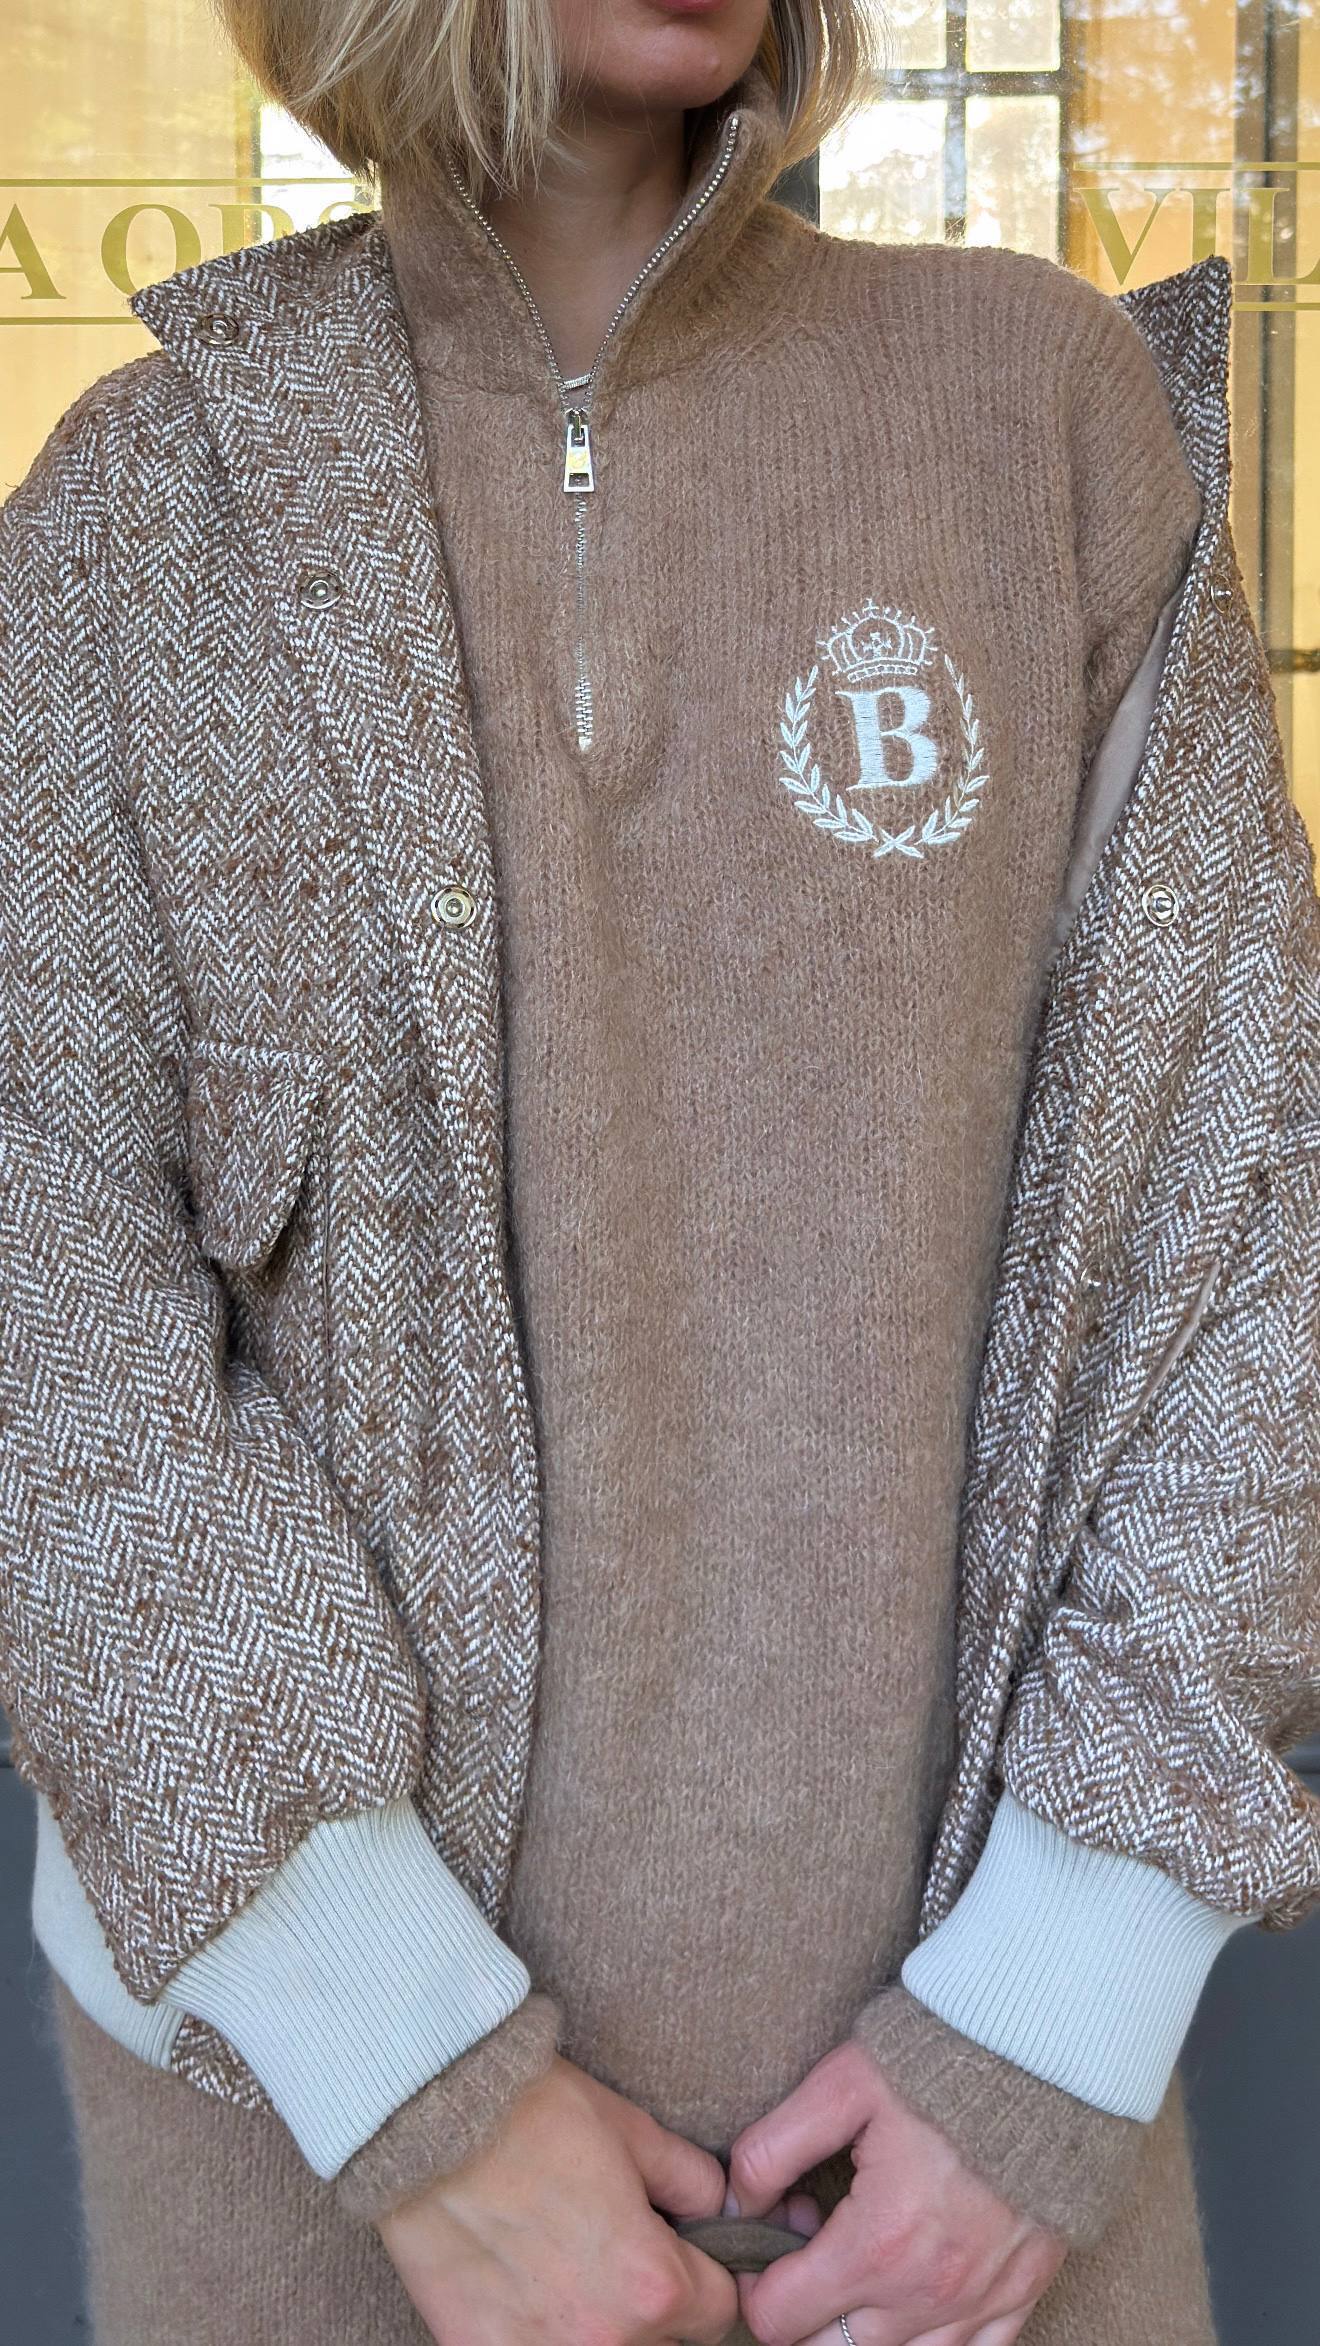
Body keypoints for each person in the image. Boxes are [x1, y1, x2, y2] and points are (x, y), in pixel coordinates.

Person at [3, 0, 1317, 2338]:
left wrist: (1056, 2009)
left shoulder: (1036, 414)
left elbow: (1264, 1205)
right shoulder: (147, 499)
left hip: (972, 2172)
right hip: (301, 2155)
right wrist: (399, 2069)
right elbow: (46, 1301)